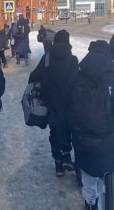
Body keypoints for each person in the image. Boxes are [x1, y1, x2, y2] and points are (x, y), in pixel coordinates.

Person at [68, 40, 114, 210]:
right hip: (109, 142)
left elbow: (69, 108)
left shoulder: (77, 77)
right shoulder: (111, 79)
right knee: (107, 183)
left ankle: (89, 204)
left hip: (83, 140)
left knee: (88, 177)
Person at [28, 29, 79, 176]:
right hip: (69, 103)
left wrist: (38, 89)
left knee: (54, 130)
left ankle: (58, 164)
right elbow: (77, 81)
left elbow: (33, 76)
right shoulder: (73, 60)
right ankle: (67, 157)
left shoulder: (47, 58)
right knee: (67, 129)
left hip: (50, 101)